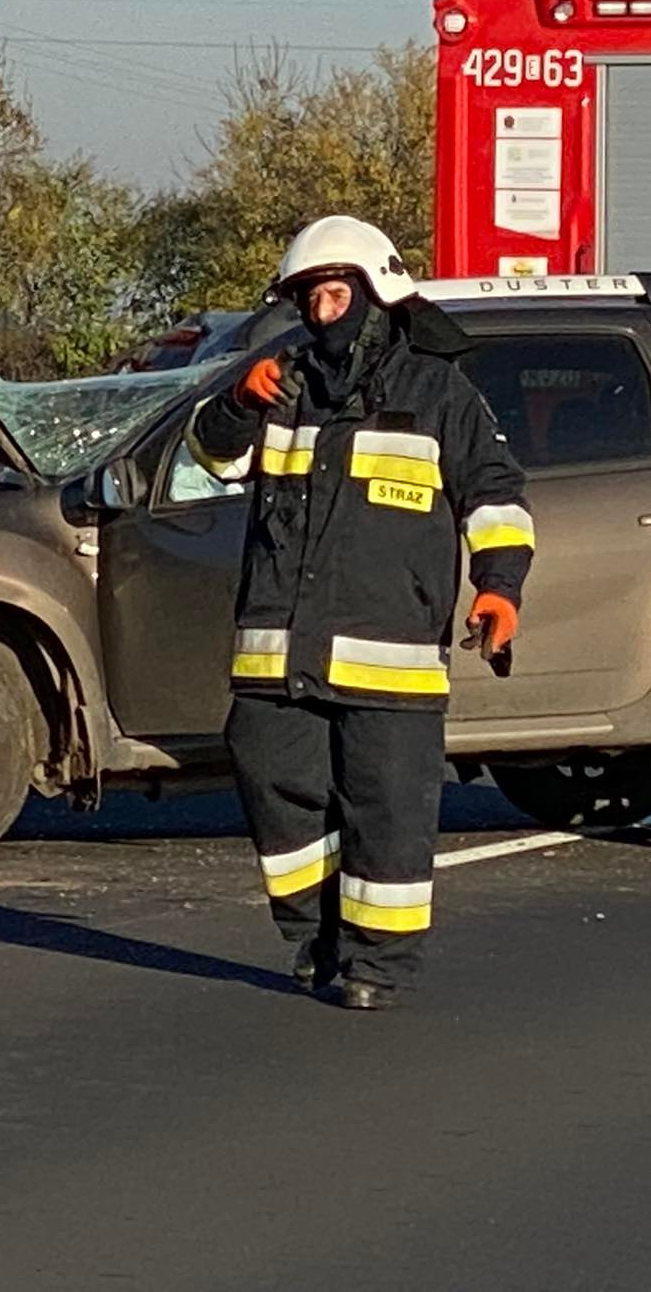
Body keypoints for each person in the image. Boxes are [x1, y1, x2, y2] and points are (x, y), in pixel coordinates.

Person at [186, 216, 535, 1010]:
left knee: (385, 814)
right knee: (273, 780)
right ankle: (315, 938)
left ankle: (377, 965)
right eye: (310, 296)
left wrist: (499, 586)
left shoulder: (436, 390)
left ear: (377, 296)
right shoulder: (283, 381)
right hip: (278, 654)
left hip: (392, 657)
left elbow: (497, 496)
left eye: (335, 292)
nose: (320, 309)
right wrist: (237, 404)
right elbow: (212, 456)